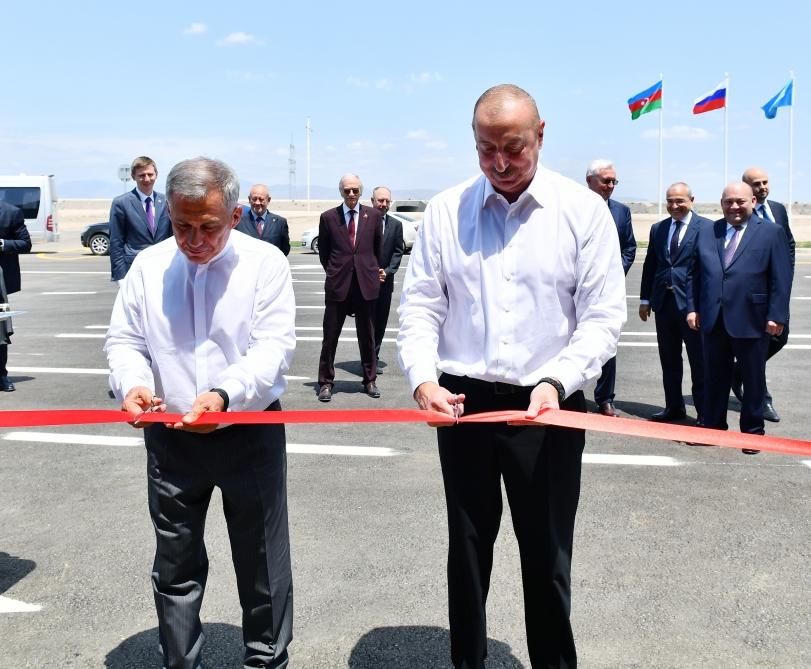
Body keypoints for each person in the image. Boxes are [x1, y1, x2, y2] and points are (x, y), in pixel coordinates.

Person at [397, 84, 626, 668]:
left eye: (514, 148)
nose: (500, 163)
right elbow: (421, 306)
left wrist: (558, 382)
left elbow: (602, 319)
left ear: (540, 135)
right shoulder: (446, 212)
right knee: (468, 554)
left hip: (547, 407)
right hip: (463, 404)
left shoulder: (581, 212)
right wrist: (423, 380)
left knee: (547, 559)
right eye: (486, 149)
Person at [105, 157, 296, 668]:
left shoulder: (264, 264)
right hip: (170, 436)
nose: (193, 240)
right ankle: (180, 661)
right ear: (169, 212)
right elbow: (125, 341)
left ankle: (266, 660)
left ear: (234, 215)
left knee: (262, 562)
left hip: (248, 430)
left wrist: (224, 394)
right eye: (181, 226)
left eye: (208, 227)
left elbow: (273, 349)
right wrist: (134, 383)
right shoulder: (148, 267)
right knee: (175, 564)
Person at [686, 181, 791, 452]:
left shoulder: (771, 232)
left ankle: (752, 433)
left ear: (753, 201)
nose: (734, 206)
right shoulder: (707, 232)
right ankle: (713, 427)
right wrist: (692, 308)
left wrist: (777, 315)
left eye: (740, 201)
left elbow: (781, 277)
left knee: (753, 379)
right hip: (713, 318)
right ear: (721, 203)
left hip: (753, 318)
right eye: (728, 202)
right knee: (714, 377)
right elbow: (694, 274)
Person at [639, 182, 711, 424]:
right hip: (664, 304)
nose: (674, 205)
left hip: (693, 307)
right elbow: (651, 264)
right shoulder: (658, 229)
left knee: (699, 361)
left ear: (692, 200)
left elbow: (710, 269)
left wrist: (703, 305)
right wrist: (645, 299)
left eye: (680, 200)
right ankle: (674, 407)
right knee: (669, 359)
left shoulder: (707, 228)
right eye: (670, 201)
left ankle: (704, 412)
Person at [735, 167, 795, 422]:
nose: (762, 187)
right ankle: (762, 399)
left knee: (780, 337)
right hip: (752, 291)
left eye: (765, 182)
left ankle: (738, 372)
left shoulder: (778, 209)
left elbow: (789, 243)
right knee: (757, 345)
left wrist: (785, 274)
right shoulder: (741, 211)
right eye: (756, 183)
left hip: (777, 288)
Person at [316, 173, 382, 401]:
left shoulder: (373, 216)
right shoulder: (328, 217)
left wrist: (368, 271)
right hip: (338, 285)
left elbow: (377, 250)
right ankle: (325, 382)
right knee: (330, 337)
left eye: (355, 190)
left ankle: (370, 380)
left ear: (361, 191)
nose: (351, 194)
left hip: (365, 285)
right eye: (347, 190)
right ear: (341, 192)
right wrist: (335, 271)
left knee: (368, 336)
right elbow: (324, 253)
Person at [585, 159, 636, 416]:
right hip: (576, 288)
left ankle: (605, 398)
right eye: (606, 181)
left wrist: (615, 274)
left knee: (607, 342)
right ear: (590, 181)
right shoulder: (574, 206)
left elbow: (629, 248)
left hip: (607, 290)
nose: (611, 186)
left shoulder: (621, 212)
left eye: (614, 181)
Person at [108, 156, 173, 282]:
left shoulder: (167, 201)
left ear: (156, 175)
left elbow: (172, 237)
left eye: (150, 174)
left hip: (164, 267)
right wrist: (120, 277)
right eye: (142, 175)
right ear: (133, 177)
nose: (147, 179)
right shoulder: (121, 203)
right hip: (134, 269)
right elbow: (116, 242)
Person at [0, 200, 32, 391]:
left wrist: (3, 244)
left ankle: (1, 376)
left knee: (0, 332)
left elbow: (25, 244)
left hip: (0, 286)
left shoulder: (11, 212)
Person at [371, 186, 404, 361]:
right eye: (380, 200)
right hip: (365, 281)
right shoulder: (363, 222)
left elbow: (398, 251)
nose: (384, 204)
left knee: (380, 322)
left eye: (387, 201)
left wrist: (388, 271)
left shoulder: (396, 225)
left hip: (385, 282)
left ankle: (373, 358)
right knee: (366, 322)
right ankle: (367, 358)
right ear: (372, 201)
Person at [236, 183, 291, 256]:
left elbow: (285, 249)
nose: (257, 203)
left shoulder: (280, 223)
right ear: (249, 199)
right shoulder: (238, 221)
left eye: (261, 199)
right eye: (254, 199)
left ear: (268, 200)